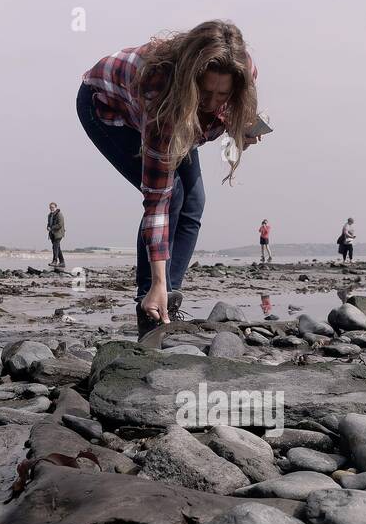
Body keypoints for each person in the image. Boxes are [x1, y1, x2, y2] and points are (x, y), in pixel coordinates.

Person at [78, 19, 262, 336]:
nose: (214, 102)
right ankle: (149, 303)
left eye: (223, 95)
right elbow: (156, 201)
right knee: (172, 194)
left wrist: (241, 125)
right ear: (192, 79)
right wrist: (157, 281)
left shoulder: (242, 68)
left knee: (194, 201)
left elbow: (228, 109)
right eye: (206, 93)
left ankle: (167, 301)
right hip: (105, 106)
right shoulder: (161, 94)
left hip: (168, 111)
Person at [47, 202, 66, 267]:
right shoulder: (49, 215)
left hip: (58, 234)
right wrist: (48, 227)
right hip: (52, 234)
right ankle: (62, 262)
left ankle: (54, 261)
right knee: (58, 248)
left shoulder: (59, 214)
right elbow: (49, 223)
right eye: (50, 207)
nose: (51, 208)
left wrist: (52, 228)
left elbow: (60, 224)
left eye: (52, 207)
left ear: (56, 207)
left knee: (55, 247)